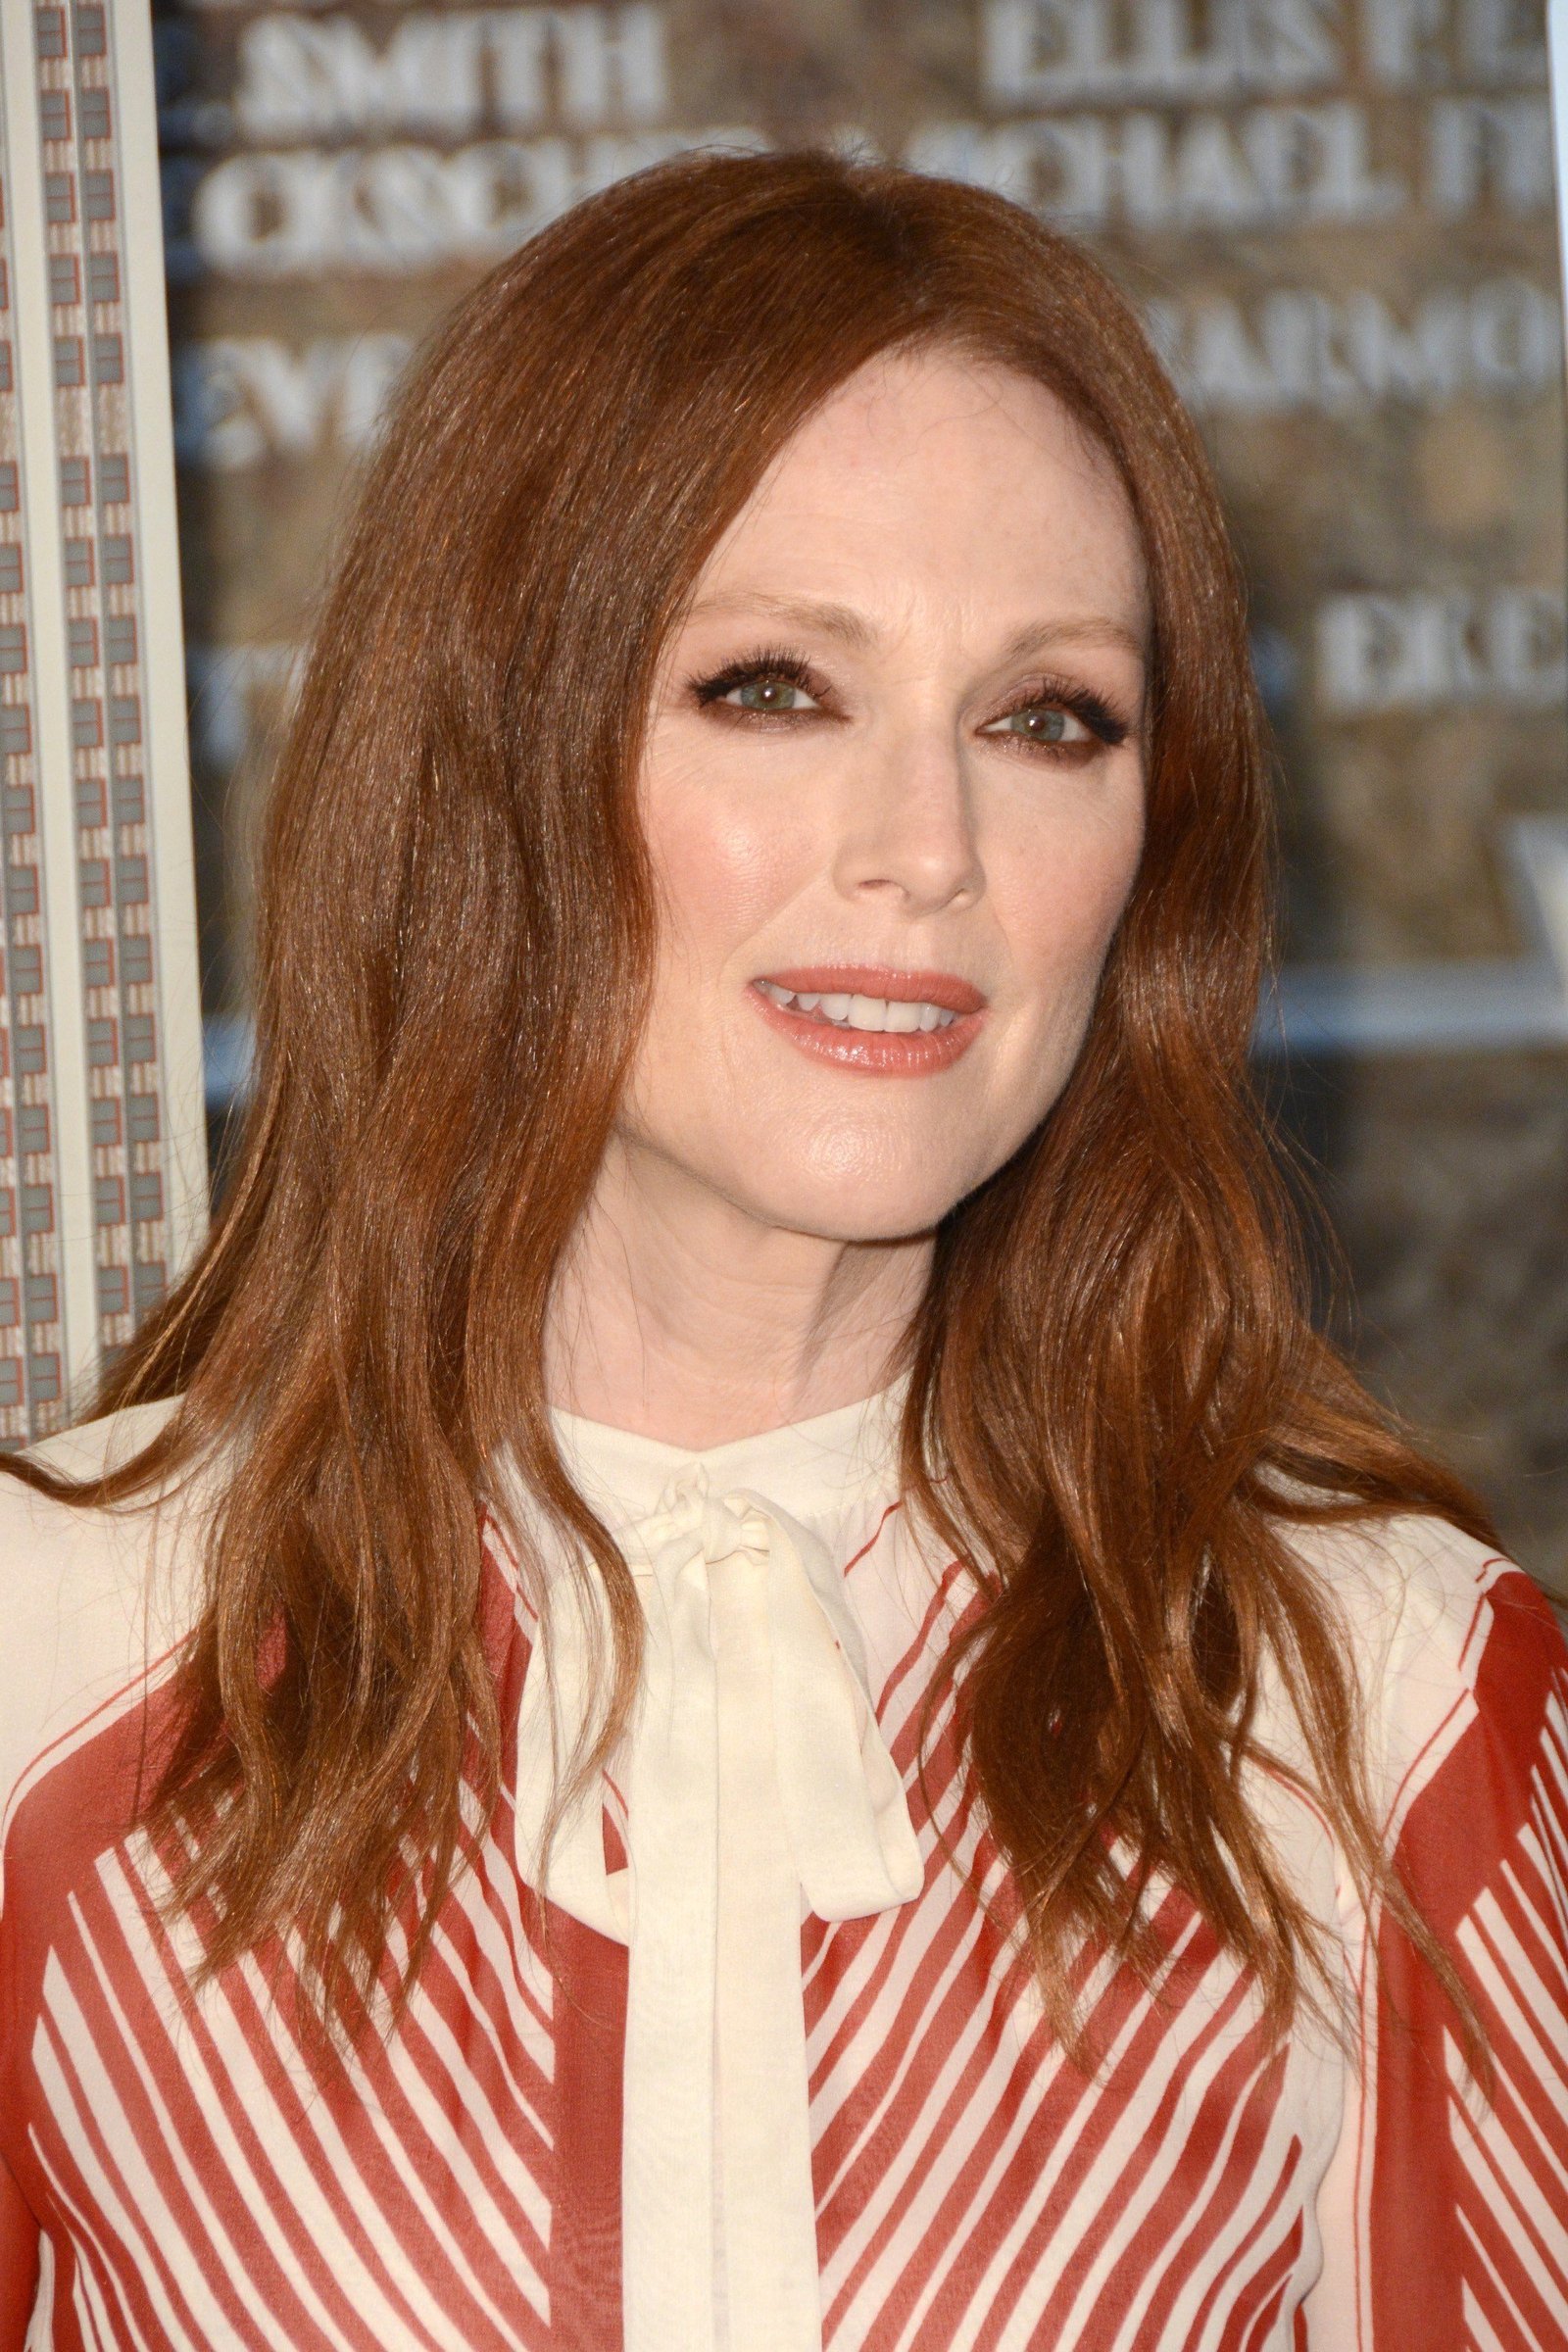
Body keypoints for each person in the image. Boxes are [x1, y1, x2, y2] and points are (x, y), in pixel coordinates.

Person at [1, 147, 1564, 2352]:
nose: (924, 850)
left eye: (1047, 720)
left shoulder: (1386, 1711)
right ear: (493, 754)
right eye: (771, 688)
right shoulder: (41, 1657)